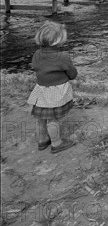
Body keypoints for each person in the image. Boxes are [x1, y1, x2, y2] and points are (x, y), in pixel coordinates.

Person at [27, 21, 78, 154]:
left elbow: (36, 67)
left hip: (41, 90)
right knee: (52, 119)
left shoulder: (37, 54)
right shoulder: (63, 56)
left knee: (41, 118)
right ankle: (56, 143)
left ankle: (42, 140)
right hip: (56, 92)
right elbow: (72, 74)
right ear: (58, 40)